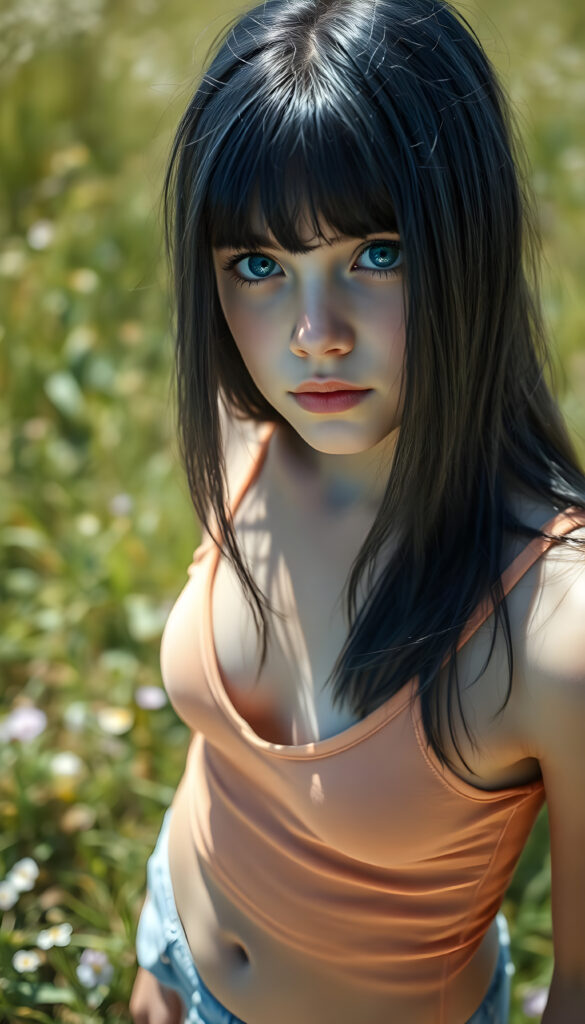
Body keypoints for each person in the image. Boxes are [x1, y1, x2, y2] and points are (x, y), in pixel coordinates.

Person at [129, 1, 585, 1022]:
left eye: (375, 252)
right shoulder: (244, 437)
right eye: (258, 265)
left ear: (469, 241)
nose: (312, 335)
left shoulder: (559, 625)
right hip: (172, 939)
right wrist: (161, 954)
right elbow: (226, 770)